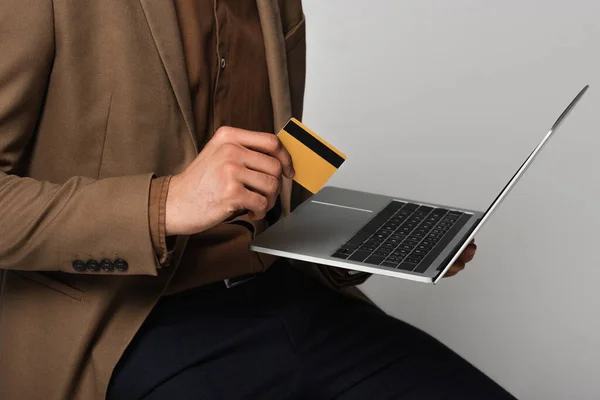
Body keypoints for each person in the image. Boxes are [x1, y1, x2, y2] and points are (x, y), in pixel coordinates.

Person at [0, 0, 515, 398]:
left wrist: (376, 237)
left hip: (284, 293)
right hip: (126, 326)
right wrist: (163, 204)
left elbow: (278, 157)